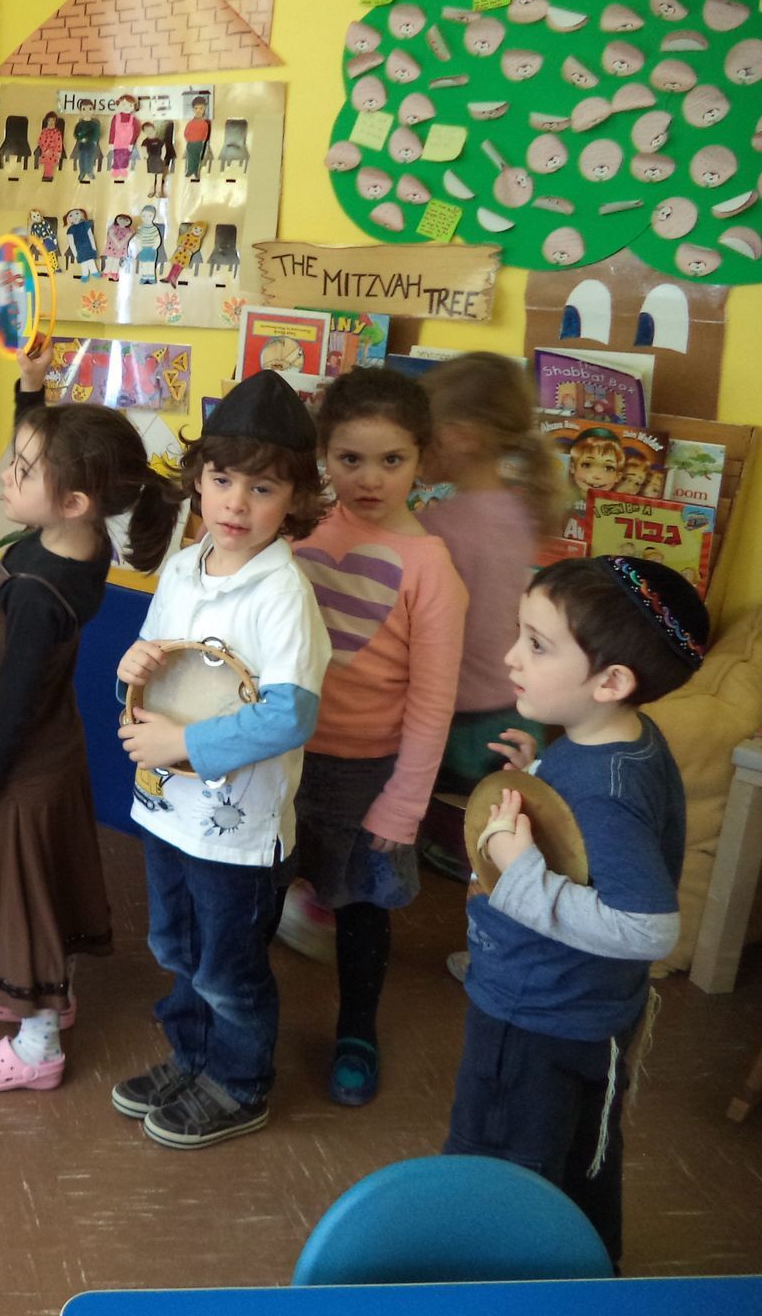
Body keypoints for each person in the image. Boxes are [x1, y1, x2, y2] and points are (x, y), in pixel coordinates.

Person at [447, 556, 707, 1269]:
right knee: (577, 1161)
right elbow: (592, 842)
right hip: (589, 1013)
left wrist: (521, 873)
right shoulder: (618, 742)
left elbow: (648, 926)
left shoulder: (604, 792)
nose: (511, 657)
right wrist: (539, 775)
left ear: (611, 681)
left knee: (500, 1174)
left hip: (536, 1018)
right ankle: (592, 1277)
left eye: (537, 644)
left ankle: (499, 1289)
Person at [0, 360, 184, 1093]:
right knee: (47, 880)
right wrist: (31, 395)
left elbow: (16, 702)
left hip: (22, 764)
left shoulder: (39, 596)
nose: (8, 479)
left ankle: (38, 1040)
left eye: (22, 470)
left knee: (21, 900)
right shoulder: (81, 546)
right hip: (53, 751)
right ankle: (56, 989)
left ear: (76, 499)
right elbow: (46, 463)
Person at [116, 370, 331, 1147]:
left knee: (227, 968)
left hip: (237, 833)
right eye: (221, 478)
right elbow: (161, 658)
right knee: (176, 947)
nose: (236, 503)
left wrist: (186, 744)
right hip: (171, 809)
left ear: (296, 500)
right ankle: (195, 1055)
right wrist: (132, 670)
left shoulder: (282, 595)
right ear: (198, 481)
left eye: (264, 487)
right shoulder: (183, 563)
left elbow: (290, 713)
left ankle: (239, 1083)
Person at [289, 369, 468, 1106]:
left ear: (422, 459)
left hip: (371, 773)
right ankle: (238, 1016)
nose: (369, 479)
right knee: (260, 891)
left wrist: (405, 804)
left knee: (362, 911)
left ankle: (357, 1028)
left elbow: (432, 702)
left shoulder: (432, 569)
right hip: (284, 756)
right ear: (323, 455)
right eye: (349, 459)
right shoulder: (299, 533)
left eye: (391, 461)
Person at [415, 354, 562, 895]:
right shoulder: (521, 511)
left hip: (460, 718)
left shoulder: (439, 525)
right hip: (516, 712)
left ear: (461, 437)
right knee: (495, 847)